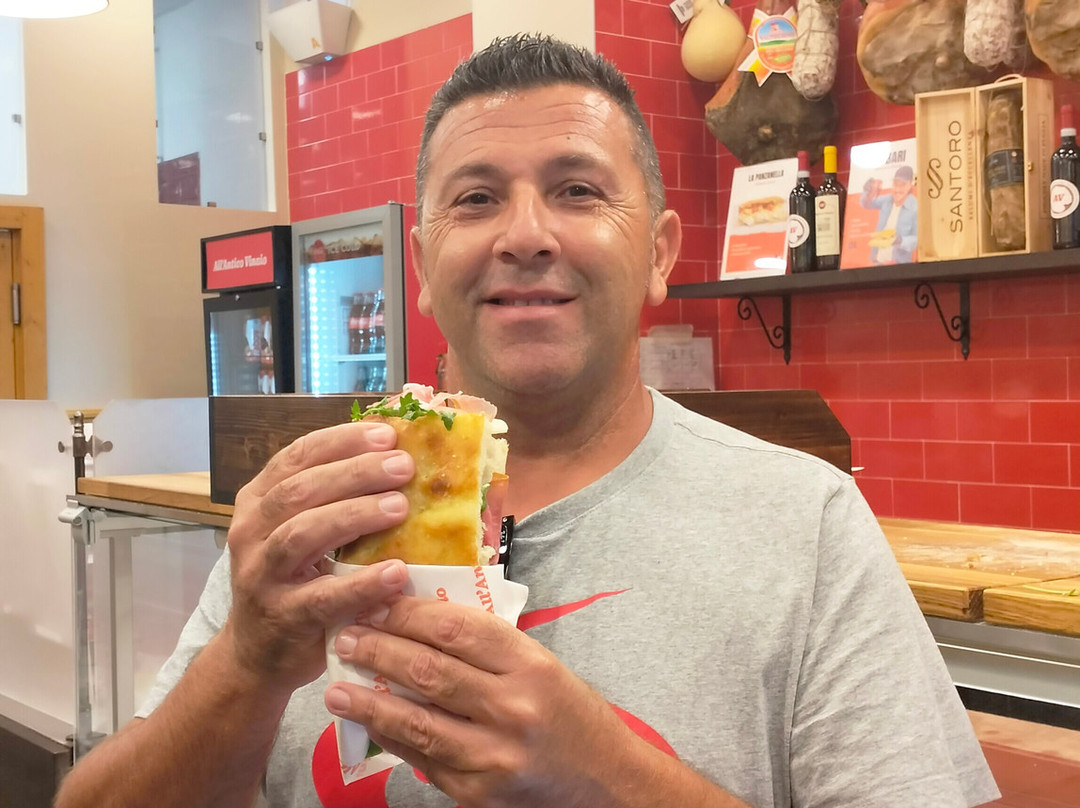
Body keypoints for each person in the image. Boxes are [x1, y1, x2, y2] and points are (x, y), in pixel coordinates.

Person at [55, 35, 999, 808]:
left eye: (578, 190)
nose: (525, 234)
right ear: (421, 268)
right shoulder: (319, 513)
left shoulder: (807, 525)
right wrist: (244, 664)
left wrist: (607, 778)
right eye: (476, 199)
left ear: (660, 252)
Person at [861, 164, 918, 264]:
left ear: (909, 185)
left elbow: (918, 239)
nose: (898, 189)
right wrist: (868, 190)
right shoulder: (887, 200)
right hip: (877, 262)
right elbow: (866, 204)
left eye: (902, 185)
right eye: (895, 184)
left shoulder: (915, 207)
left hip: (899, 265)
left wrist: (899, 240)